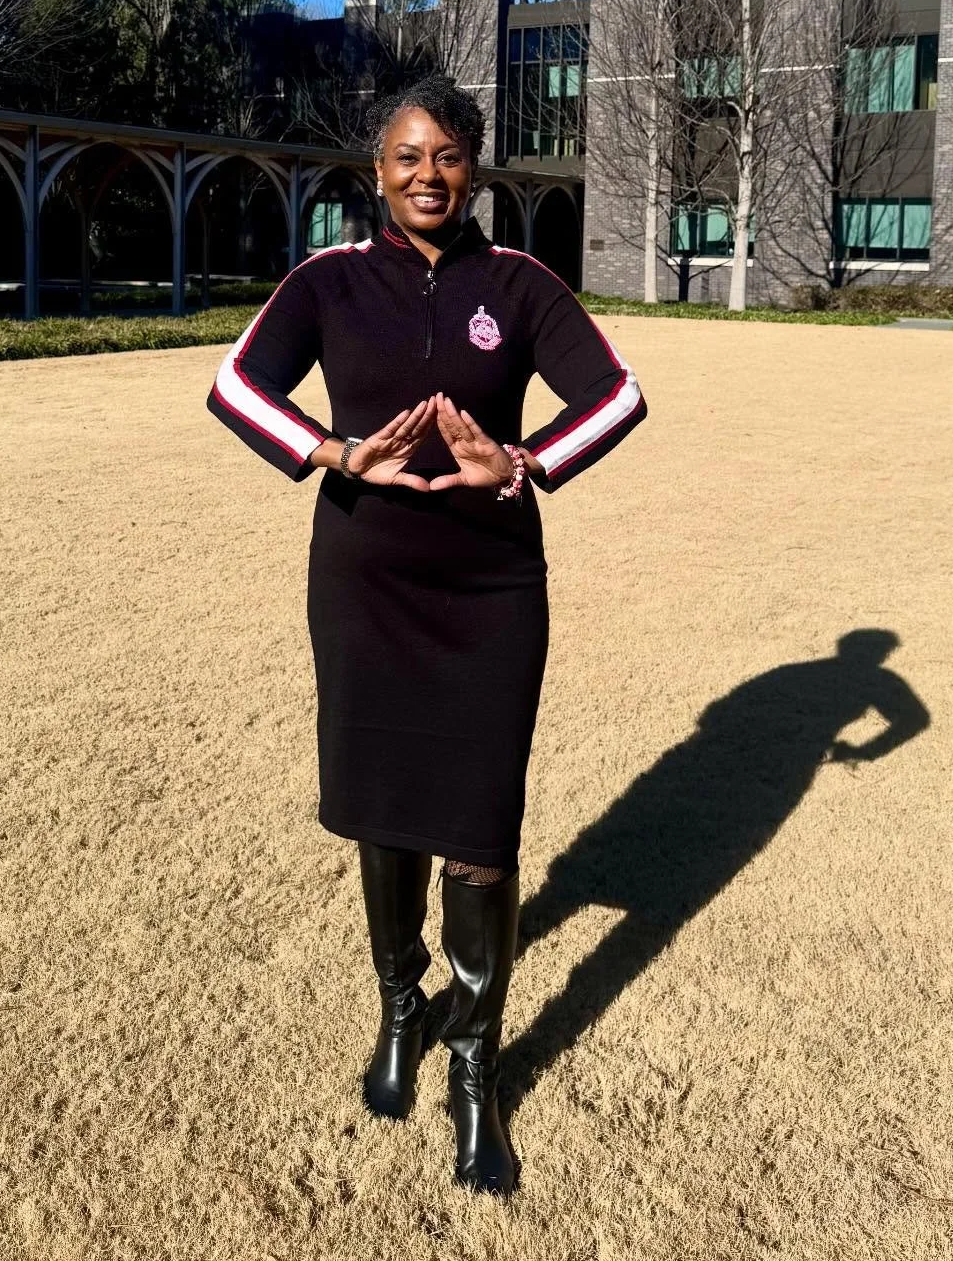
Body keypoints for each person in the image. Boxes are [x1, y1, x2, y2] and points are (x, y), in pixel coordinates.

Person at [206, 73, 646, 1196]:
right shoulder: (329, 280)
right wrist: (334, 452)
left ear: (473, 168)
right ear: (378, 172)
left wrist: (525, 461)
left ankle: (474, 1067)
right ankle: (402, 1007)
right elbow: (235, 385)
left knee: (483, 822)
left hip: (491, 586)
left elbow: (617, 395)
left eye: (447, 156)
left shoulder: (520, 283)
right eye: (407, 157)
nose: (427, 176)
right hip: (368, 582)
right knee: (387, 806)